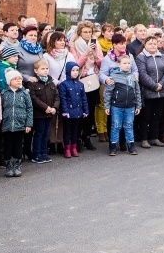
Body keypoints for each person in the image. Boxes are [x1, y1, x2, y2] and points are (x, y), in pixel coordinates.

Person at [69, 21, 103, 149]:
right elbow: (76, 63)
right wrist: (86, 53)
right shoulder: (74, 45)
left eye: (90, 32)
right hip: (80, 79)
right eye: (85, 32)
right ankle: (77, 138)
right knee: (80, 110)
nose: (88, 34)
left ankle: (87, 137)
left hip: (93, 79)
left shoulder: (96, 44)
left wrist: (94, 55)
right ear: (79, 32)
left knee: (90, 110)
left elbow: (101, 62)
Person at [136, 36, 164, 148]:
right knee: (145, 116)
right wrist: (154, 86)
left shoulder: (163, 56)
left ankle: (154, 137)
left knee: (157, 116)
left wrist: (161, 84)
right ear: (145, 45)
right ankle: (144, 139)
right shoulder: (141, 58)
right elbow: (142, 74)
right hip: (148, 92)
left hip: (162, 91)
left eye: (155, 44)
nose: (153, 46)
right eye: (150, 43)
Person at [103, 56, 141, 156]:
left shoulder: (133, 77)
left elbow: (137, 91)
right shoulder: (113, 76)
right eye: (124, 63)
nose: (127, 65)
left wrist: (138, 105)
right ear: (119, 64)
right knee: (116, 126)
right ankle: (113, 147)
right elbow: (108, 92)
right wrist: (107, 106)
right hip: (117, 106)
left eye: (129, 63)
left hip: (130, 106)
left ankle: (131, 147)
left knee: (129, 126)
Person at [26, 59, 60, 164]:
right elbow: (34, 98)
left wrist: (54, 107)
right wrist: (45, 108)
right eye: (42, 69)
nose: (45, 71)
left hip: (50, 113)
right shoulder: (32, 84)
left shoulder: (51, 82)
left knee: (46, 133)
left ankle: (44, 153)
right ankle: (37, 154)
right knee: (39, 133)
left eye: (47, 69)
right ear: (36, 71)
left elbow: (56, 96)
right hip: (39, 114)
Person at [0, 69, 32, 177]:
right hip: (7, 125)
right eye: (15, 79)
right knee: (7, 145)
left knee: (18, 145)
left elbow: (29, 108)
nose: (19, 81)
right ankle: (9, 165)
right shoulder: (4, 93)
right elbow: (0, 108)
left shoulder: (25, 93)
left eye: (20, 79)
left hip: (20, 124)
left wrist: (28, 124)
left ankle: (17, 165)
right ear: (9, 81)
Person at [58, 62, 90, 157]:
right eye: (73, 70)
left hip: (78, 111)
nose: (75, 72)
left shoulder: (80, 84)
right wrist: (65, 111)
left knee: (75, 130)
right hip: (68, 112)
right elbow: (63, 99)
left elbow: (84, 98)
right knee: (67, 130)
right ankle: (67, 148)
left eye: (77, 70)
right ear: (68, 71)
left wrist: (85, 110)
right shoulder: (64, 84)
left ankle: (74, 147)